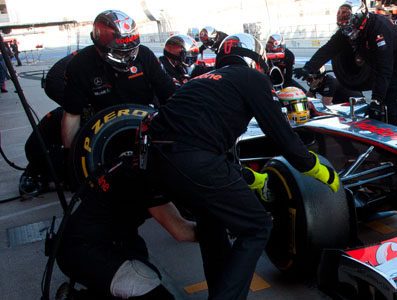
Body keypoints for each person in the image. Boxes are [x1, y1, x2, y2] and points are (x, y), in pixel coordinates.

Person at [144, 33, 340, 299]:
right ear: (257, 59)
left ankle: (219, 291)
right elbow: (282, 136)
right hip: (194, 159)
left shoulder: (200, 80)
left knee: (212, 225)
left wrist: (250, 178)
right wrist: (316, 168)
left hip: (155, 161)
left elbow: (211, 142)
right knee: (257, 226)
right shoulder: (253, 78)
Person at [56, 161, 196, 299]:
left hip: (92, 239)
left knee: (144, 263)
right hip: (84, 249)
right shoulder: (146, 178)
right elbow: (181, 231)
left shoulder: (141, 161)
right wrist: (216, 233)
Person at [60, 10, 176, 152]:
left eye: (131, 51)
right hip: (103, 131)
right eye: (120, 52)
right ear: (99, 46)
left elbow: (171, 95)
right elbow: (72, 114)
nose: (127, 56)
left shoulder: (145, 55)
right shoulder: (80, 65)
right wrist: (70, 155)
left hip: (146, 123)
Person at [294, 0, 397, 129]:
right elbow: (329, 49)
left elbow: (384, 69)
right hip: (380, 62)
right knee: (381, 103)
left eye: (348, 27)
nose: (346, 31)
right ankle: (389, 125)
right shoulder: (349, 29)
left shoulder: (378, 29)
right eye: (343, 28)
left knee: (390, 102)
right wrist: (308, 68)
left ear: (359, 19)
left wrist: (376, 100)